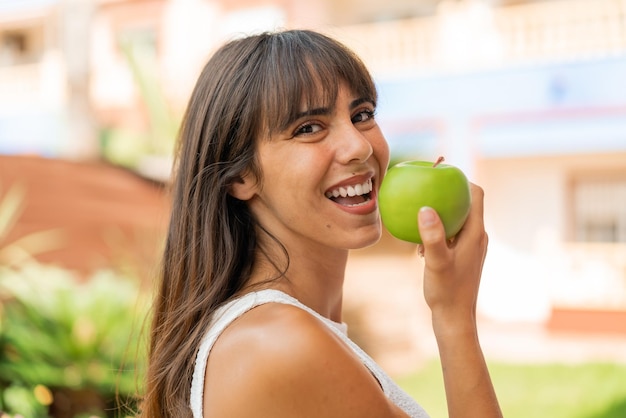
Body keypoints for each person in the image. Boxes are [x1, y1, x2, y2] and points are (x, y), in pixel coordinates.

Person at [139, 29, 502, 418]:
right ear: (240, 176)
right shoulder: (281, 344)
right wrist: (454, 318)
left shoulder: (289, 332)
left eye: (361, 115)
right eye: (309, 128)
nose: (360, 146)